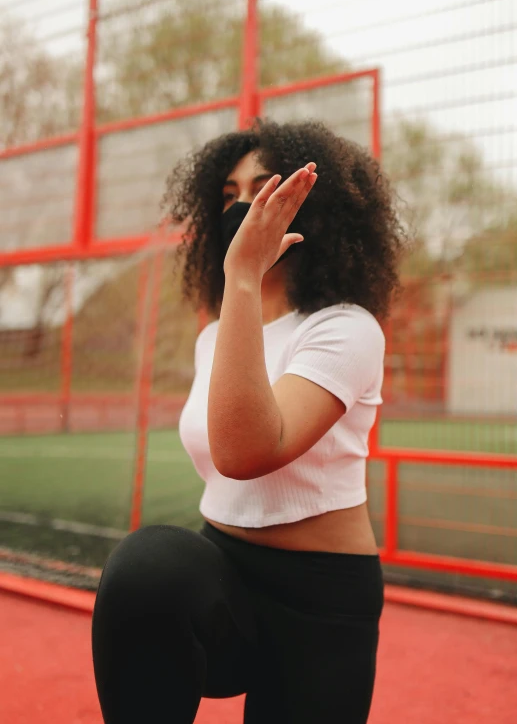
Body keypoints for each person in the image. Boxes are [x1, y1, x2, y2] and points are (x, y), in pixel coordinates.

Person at [92, 119, 405, 723]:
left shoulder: (345, 327)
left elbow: (247, 450)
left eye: (264, 189)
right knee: (144, 567)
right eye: (231, 195)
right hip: (223, 577)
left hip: (320, 598)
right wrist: (241, 292)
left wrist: (242, 278)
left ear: (315, 209)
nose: (243, 208)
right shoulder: (217, 335)